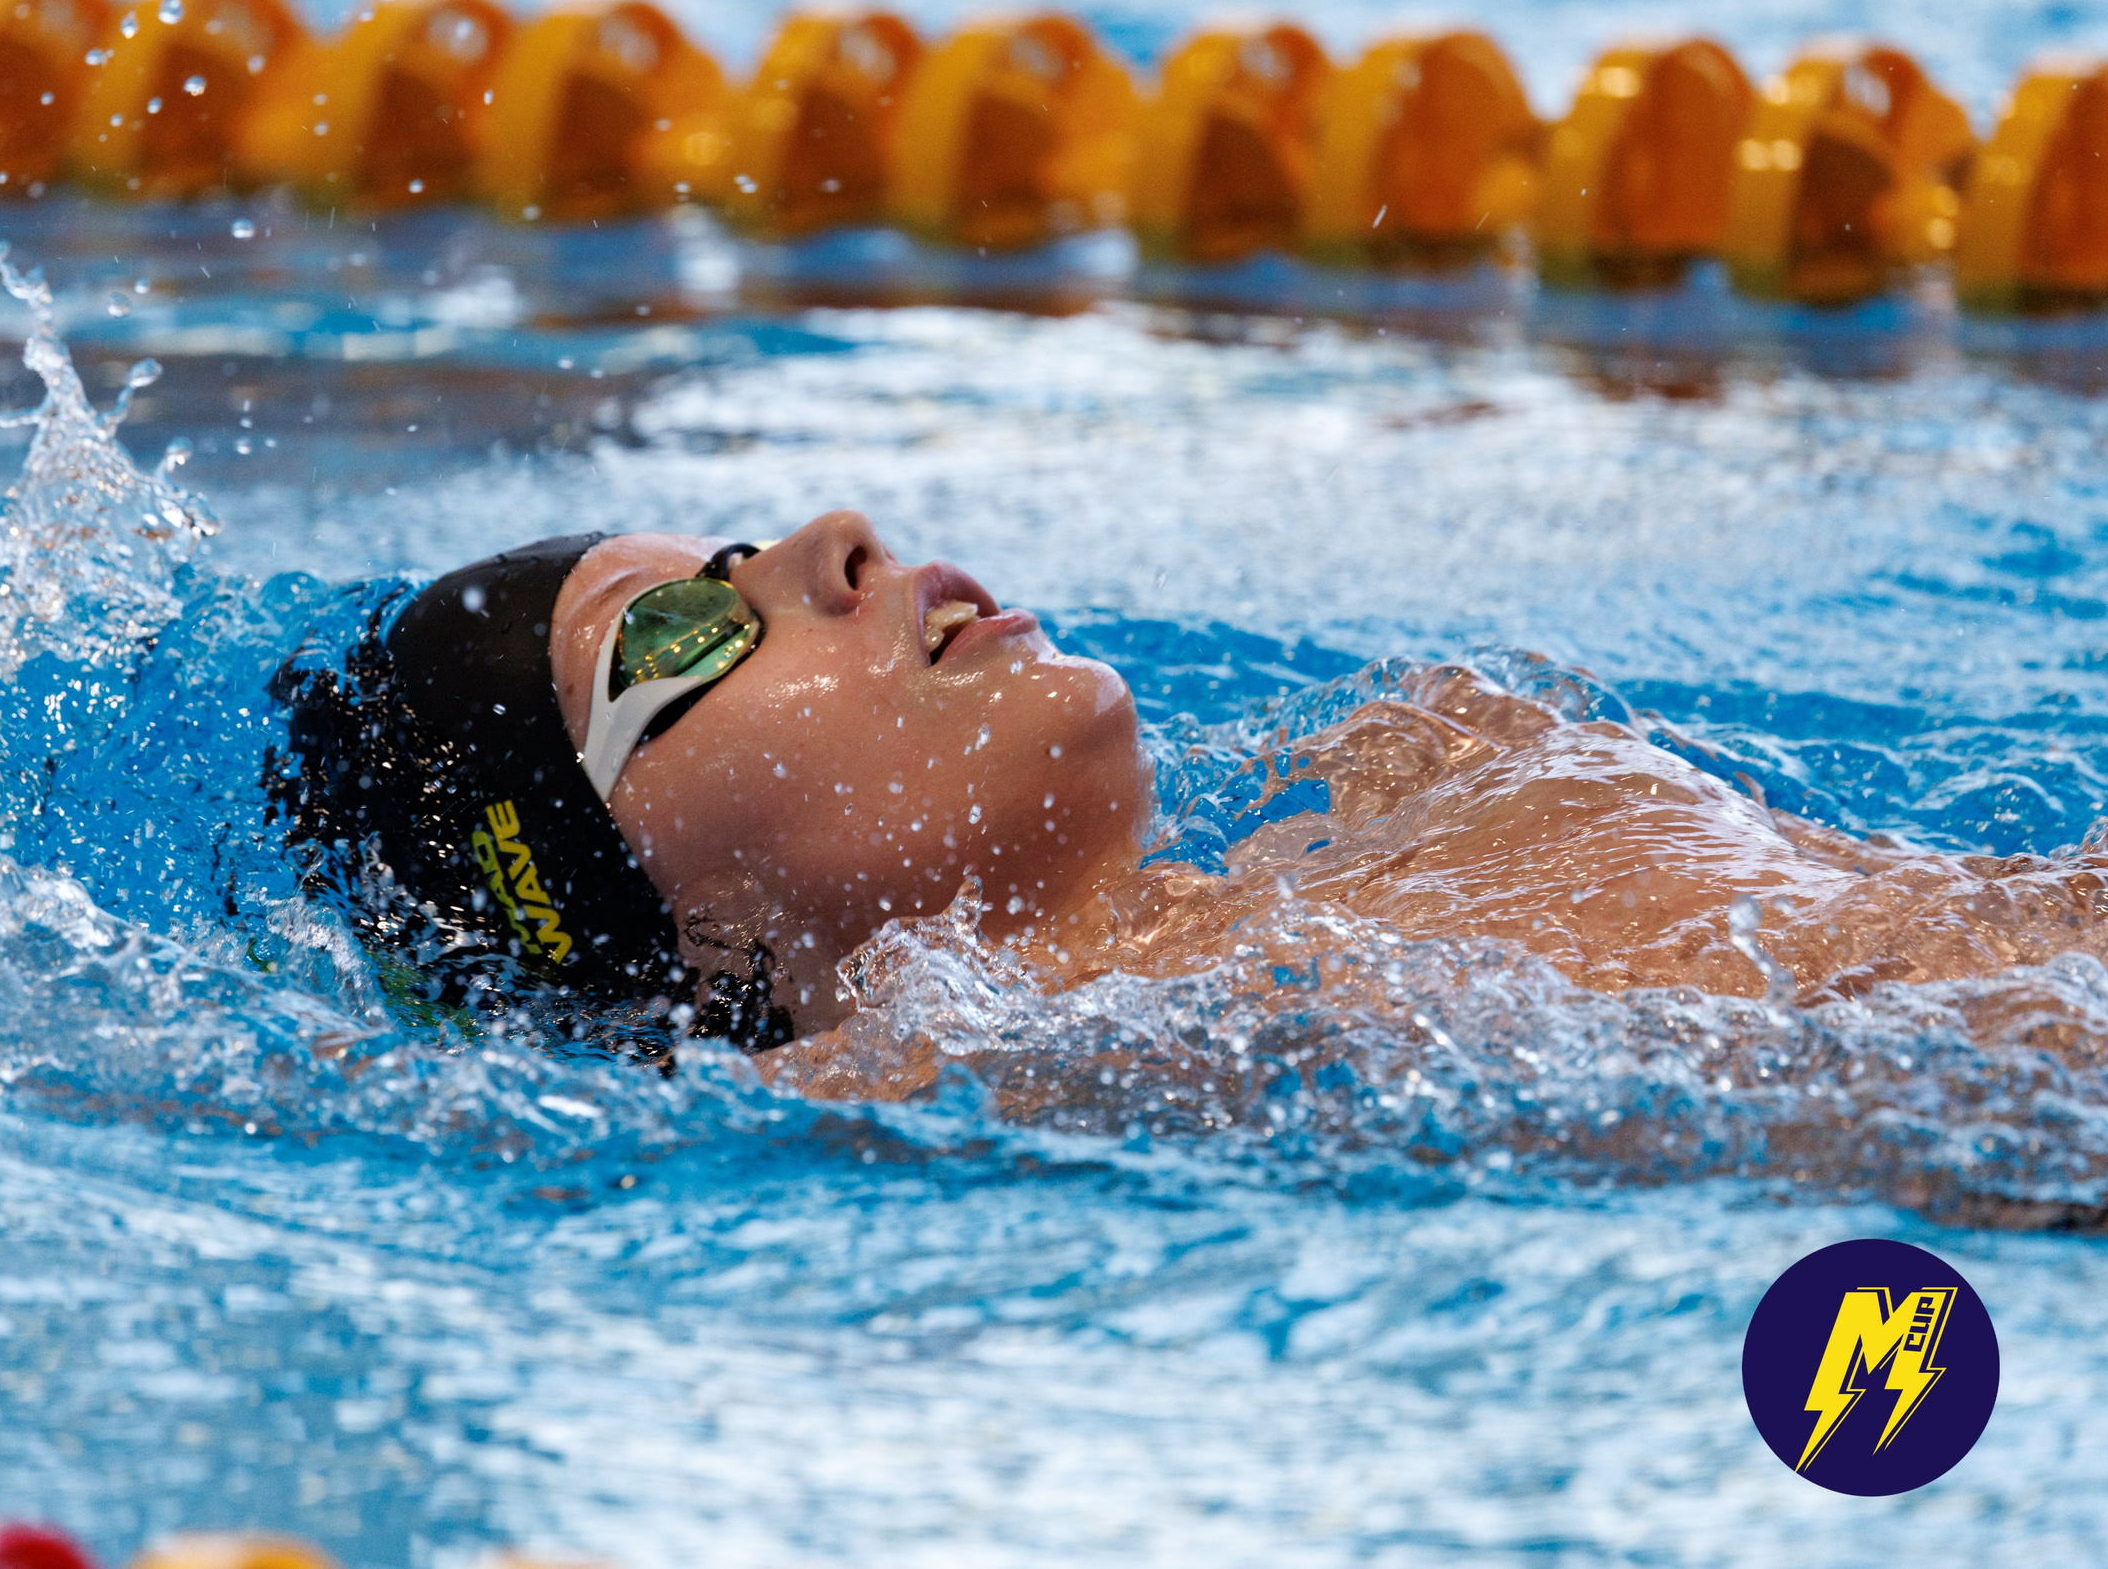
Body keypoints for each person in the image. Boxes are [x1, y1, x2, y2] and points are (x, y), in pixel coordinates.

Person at [271, 509, 2108, 1064]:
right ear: (696, 931)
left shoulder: (1421, 761)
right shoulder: (929, 1068)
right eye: (677, 631)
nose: (835, 538)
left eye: (747, 543)